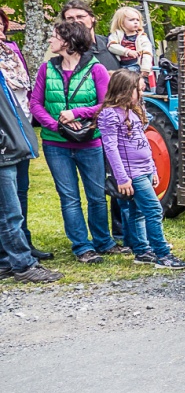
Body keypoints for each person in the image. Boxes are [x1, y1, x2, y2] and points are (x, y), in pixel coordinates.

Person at [29, 21, 124, 262]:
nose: (50, 40)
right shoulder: (46, 69)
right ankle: (82, 247)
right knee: (69, 197)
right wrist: (56, 126)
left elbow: (105, 105)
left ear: (69, 42)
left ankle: (103, 241)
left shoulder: (96, 69)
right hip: (55, 144)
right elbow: (35, 105)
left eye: (54, 36)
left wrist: (77, 113)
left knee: (96, 195)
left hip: (90, 142)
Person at [97, 70, 185, 269]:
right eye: (139, 90)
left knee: (137, 212)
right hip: (132, 174)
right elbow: (111, 150)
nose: (142, 94)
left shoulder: (134, 111)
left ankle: (141, 250)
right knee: (154, 210)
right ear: (125, 90)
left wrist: (153, 169)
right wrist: (122, 178)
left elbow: (144, 143)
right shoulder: (110, 115)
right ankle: (162, 254)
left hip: (144, 169)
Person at [0, 68, 62, 282]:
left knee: (8, 210)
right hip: (3, 152)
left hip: (8, 147)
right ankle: (24, 265)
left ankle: (5, 261)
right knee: (10, 212)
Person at [0, 10, 50, 261]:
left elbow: (24, 85)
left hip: (21, 124)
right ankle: (13, 255)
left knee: (20, 189)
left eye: (1, 24)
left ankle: (24, 243)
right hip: (4, 131)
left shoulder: (11, 51)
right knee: (6, 198)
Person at [60, 0, 119, 71]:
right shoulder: (68, 50)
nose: (76, 21)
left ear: (92, 18)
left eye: (80, 17)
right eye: (70, 19)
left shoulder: (109, 42)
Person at [106, 7, 154, 79]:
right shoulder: (116, 35)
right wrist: (127, 51)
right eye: (131, 20)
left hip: (136, 65)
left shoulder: (142, 37)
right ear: (121, 22)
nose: (135, 22)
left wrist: (145, 68)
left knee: (131, 81)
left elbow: (147, 52)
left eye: (137, 20)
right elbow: (112, 46)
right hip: (120, 66)